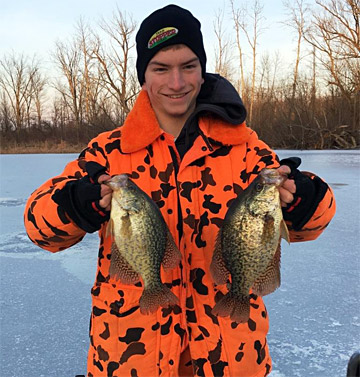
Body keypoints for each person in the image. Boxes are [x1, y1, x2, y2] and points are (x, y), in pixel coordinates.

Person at [24, 5, 336, 377]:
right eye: (161, 68)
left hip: (231, 358)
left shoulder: (247, 150)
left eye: (188, 66)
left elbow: (313, 224)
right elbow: (39, 227)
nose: (176, 82)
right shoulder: (108, 153)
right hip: (130, 357)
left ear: (202, 72)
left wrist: (304, 200)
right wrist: (75, 206)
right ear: (143, 77)